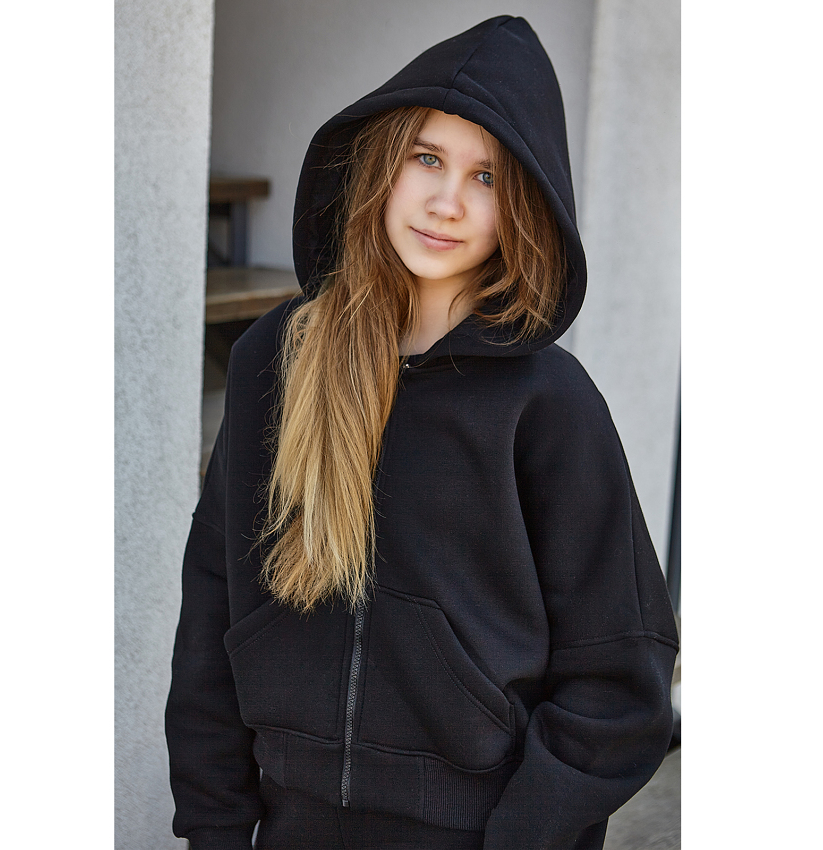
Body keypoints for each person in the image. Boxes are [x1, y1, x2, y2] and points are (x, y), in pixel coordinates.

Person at [165, 16, 679, 850]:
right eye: (427, 158)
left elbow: (619, 673)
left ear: (525, 204)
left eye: (488, 176)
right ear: (381, 163)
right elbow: (213, 605)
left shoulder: (549, 403)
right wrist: (216, 826)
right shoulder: (275, 360)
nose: (448, 202)